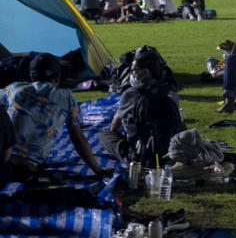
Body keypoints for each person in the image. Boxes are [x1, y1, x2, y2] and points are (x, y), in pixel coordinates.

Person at [0, 53, 110, 181]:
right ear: (58, 77)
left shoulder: (15, 89)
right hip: (28, 169)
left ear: (31, 75)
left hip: (6, 161)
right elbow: (78, 138)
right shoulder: (66, 97)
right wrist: (97, 169)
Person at [99, 50, 184, 165]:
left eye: (134, 71)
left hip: (143, 156)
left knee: (105, 135)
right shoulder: (170, 92)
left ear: (145, 72)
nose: (132, 75)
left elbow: (115, 124)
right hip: (172, 151)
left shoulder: (131, 94)